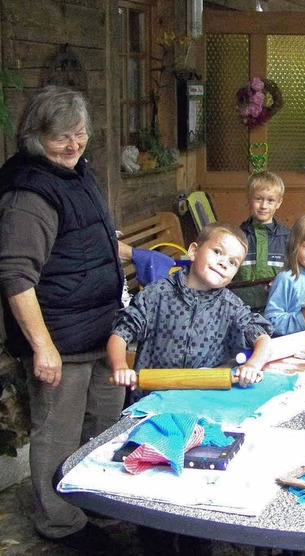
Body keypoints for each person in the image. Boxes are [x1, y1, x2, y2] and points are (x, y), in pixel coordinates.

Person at [0, 86, 132, 552]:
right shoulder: (28, 195)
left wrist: (139, 254)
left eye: (80, 134)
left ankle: (92, 501)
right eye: (61, 138)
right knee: (57, 433)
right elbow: (16, 276)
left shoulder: (76, 174)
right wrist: (43, 347)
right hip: (63, 340)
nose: (74, 145)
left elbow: (88, 241)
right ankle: (59, 522)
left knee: (103, 421)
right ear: (36, 138)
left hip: (100, 332)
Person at [108, 222, 272, 391]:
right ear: (194, 251)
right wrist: (120, 366)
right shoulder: (157, 294)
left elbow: (263, 339)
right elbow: (120, 334)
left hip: (201, 401)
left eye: (233, 262)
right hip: (152, 399)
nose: (224, 263)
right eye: (217, 252)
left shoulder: (231, 306)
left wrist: (253, 365)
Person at [235, 171, 290, 282]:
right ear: (248, 199)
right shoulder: (236, 237)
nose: (263, 206)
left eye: (270, 200)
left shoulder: (289, 238)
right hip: (241, 298)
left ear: (279, 203)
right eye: (258, 199)